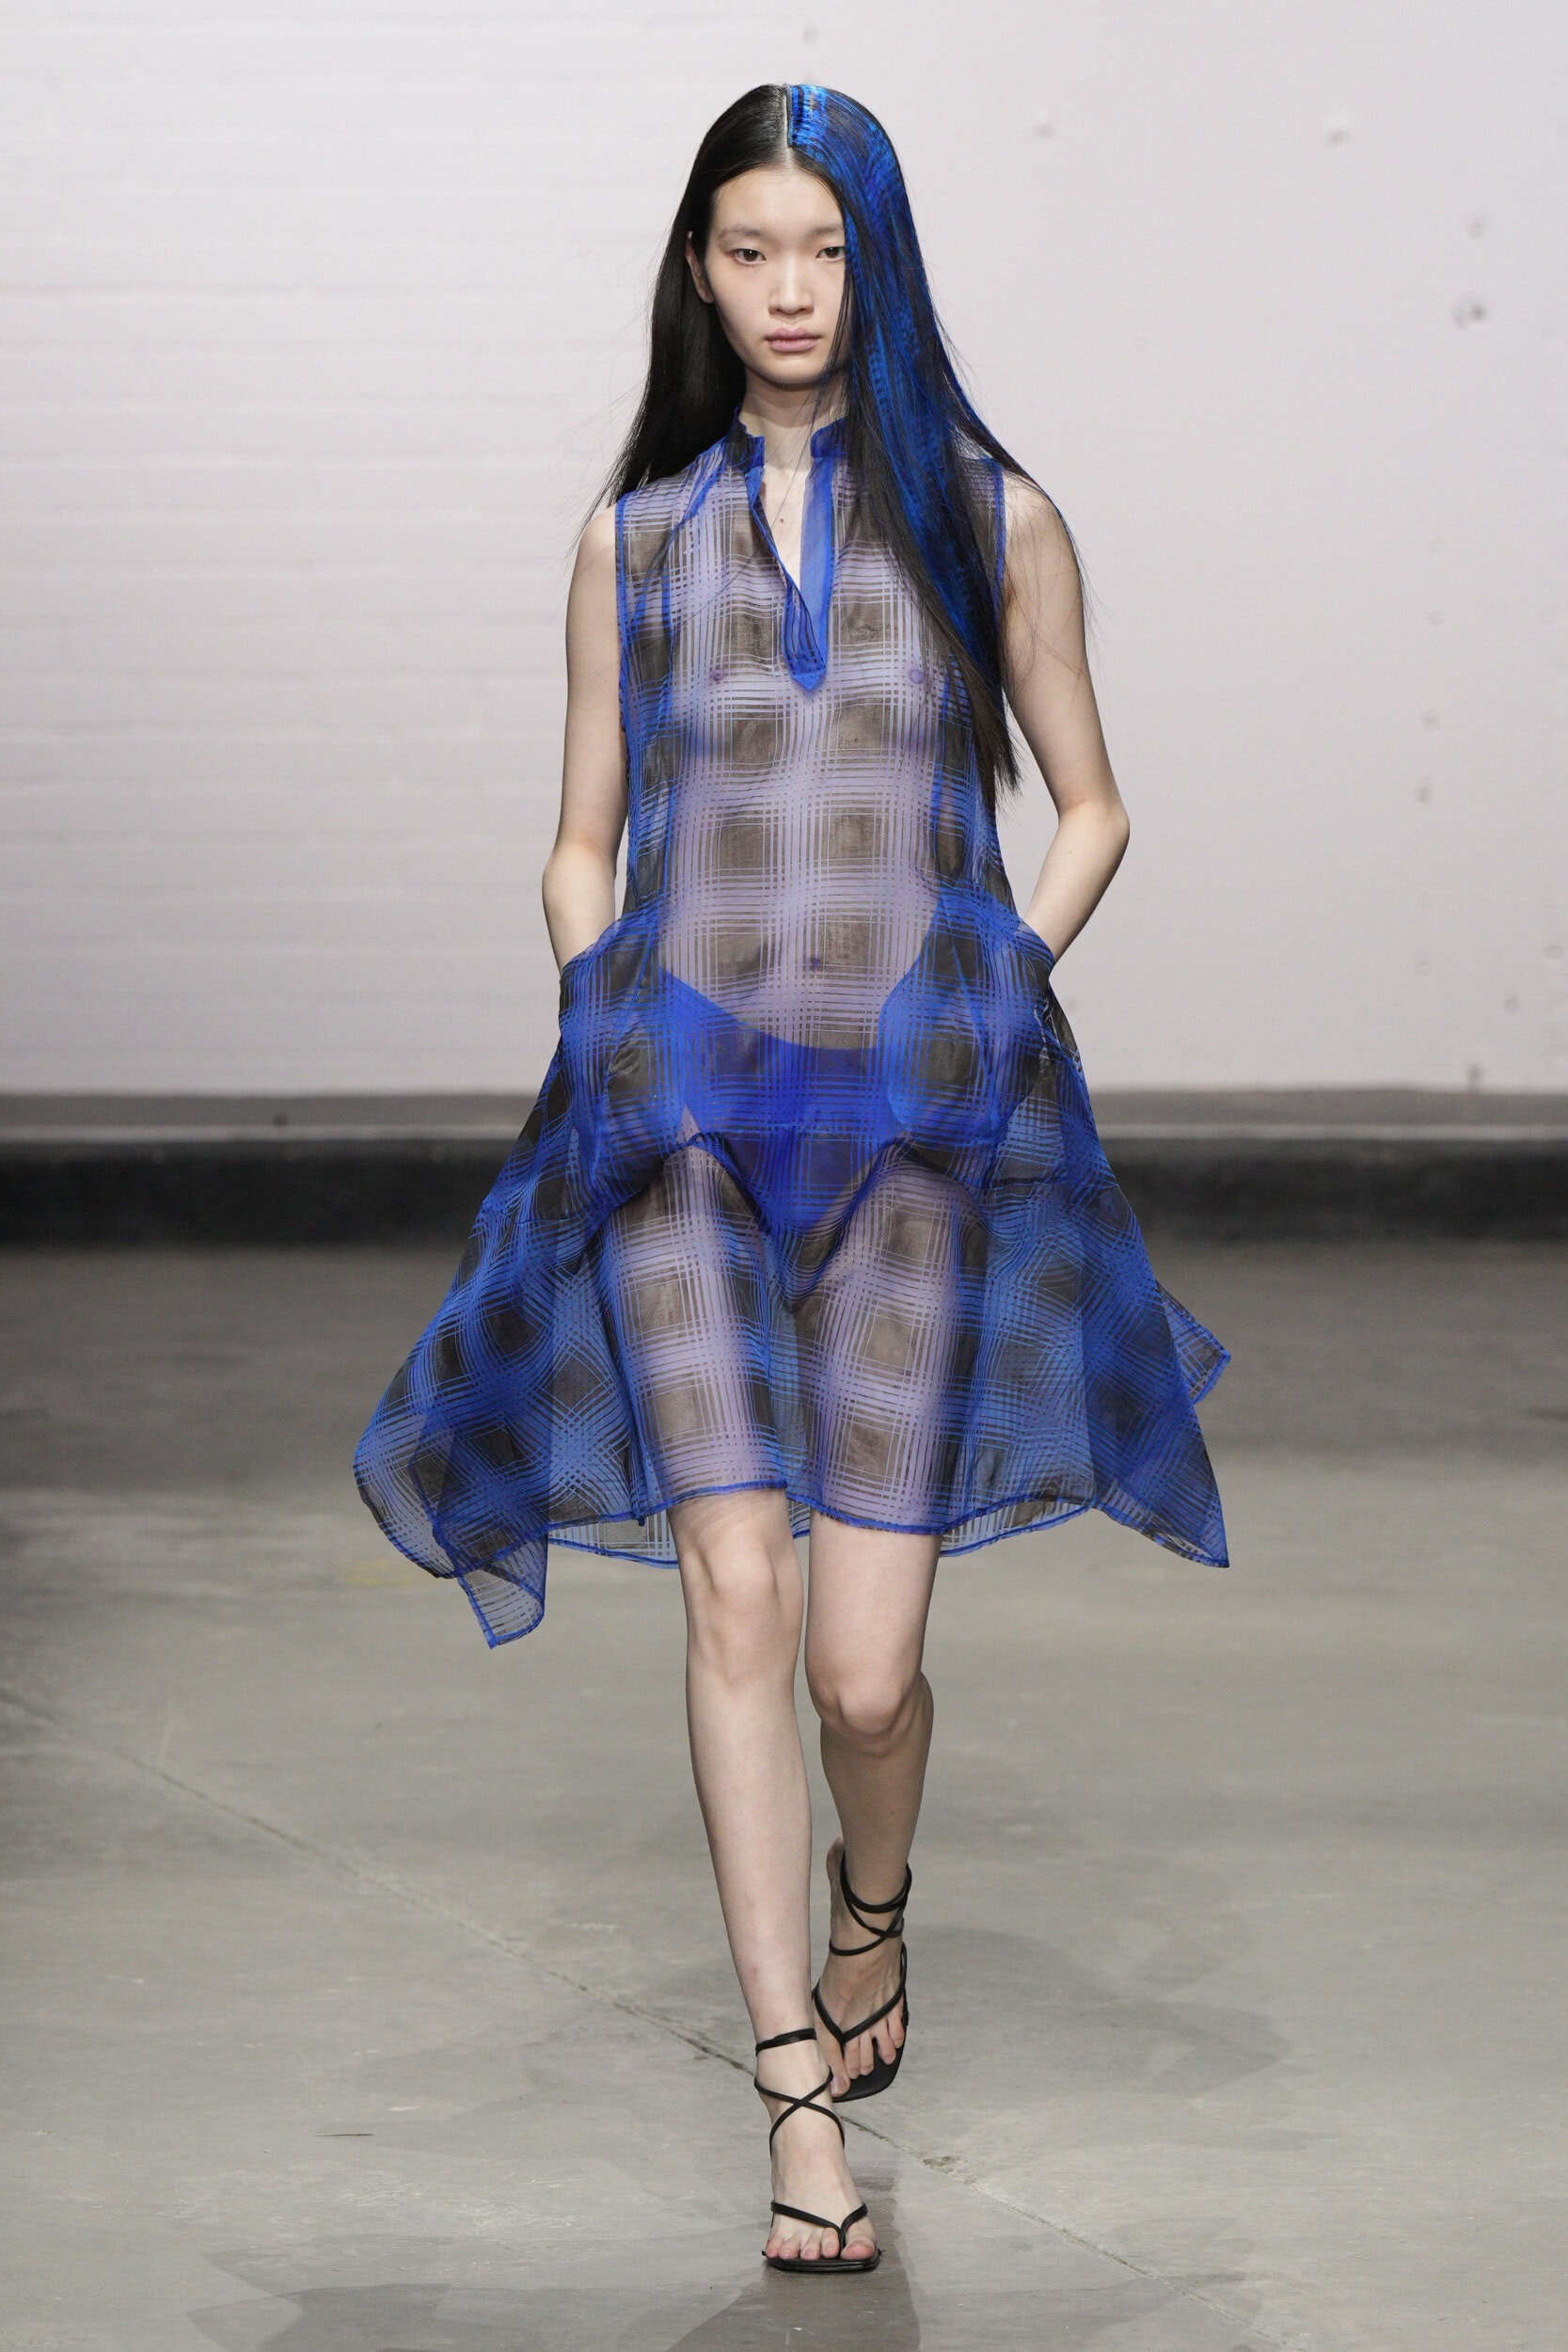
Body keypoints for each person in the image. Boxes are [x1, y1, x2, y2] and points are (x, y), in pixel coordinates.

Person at [354, 82, 1228, 2278]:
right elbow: (580, 833)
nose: (789, 290)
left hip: (915, 1133)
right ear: (699, 271)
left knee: (861, 1670)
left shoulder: (992, 519)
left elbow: (1095, 800)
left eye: (824, 249)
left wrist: (1006, 971)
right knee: (733, 1592)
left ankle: (874, 1903)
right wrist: (598, 999)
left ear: (879, 263)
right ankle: (793, 2095)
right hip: (680, 1123)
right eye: (749, 249)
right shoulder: (635, 541)